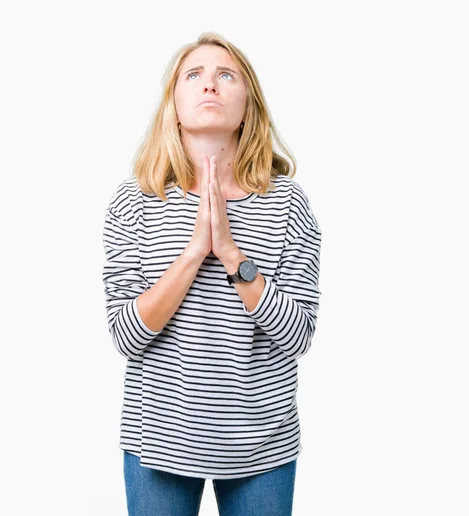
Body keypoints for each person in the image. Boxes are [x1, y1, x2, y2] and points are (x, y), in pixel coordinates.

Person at [102, 31, 322, 516]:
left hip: (262, 447)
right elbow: (125, 335)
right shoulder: (135, 201)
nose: (210, 86)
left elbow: (299, 336)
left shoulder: (288, 203)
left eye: (227, 75)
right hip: (157, 440)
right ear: (174, 104)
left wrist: (230, 254)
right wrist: (193, 252)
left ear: (248, 106)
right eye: (194, 75)